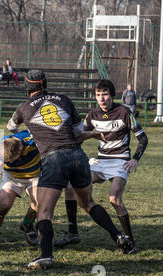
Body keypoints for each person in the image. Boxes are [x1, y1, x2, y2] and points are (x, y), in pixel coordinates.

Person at [7, 69, 134, 270]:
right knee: (88, 203)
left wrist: (32, 130)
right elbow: (77, 132)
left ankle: (46, 256)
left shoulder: (23, 107)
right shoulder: (64, 99)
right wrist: (91, 135)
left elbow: (11, 127)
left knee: (45, 211)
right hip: (78, 156)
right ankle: (118, 236)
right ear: (45, 83)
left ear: (27, 86)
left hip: (54, 157)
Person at [57, 80, 148, 254]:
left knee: (114, 198)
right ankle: (72, 232)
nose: (102, 98)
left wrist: (135, 159)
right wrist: (87, 135)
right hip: (100, 162)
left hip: (120, 161)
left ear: (112, 95)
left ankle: (130, 241)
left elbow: (143, 138)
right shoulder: (92, 115)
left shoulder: (124, 112)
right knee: (70, 188)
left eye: (105, 94)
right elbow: (79, 137)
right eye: (98, 95)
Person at [0, 130, 40, 251]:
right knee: (3, 206)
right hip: (12, 177)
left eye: (11, 160)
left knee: (39, 201)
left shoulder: (33, 139)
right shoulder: (3, 144)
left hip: (34, 176)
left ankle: (27, 224)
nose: (10, 162)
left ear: (20, 150)